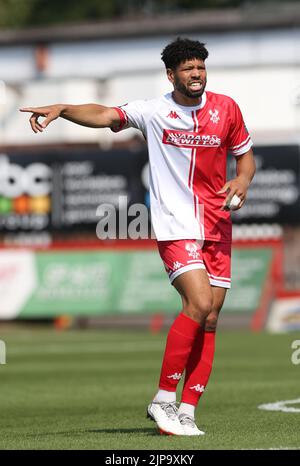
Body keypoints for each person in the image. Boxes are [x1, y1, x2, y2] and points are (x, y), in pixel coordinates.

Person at [20, 37, 256, 437]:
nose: (196, 73)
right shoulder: (154, 111)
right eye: (187, 68)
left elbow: (244, 154)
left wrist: (244, 179)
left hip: (217, 225)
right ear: (171, 75)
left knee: (212, 318)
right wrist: (62, 109)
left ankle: (186, 410)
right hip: (175, 224)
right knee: (197, 303)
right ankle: (163, 399)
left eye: (200, 66)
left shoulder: (227, 108)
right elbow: (104, 114)